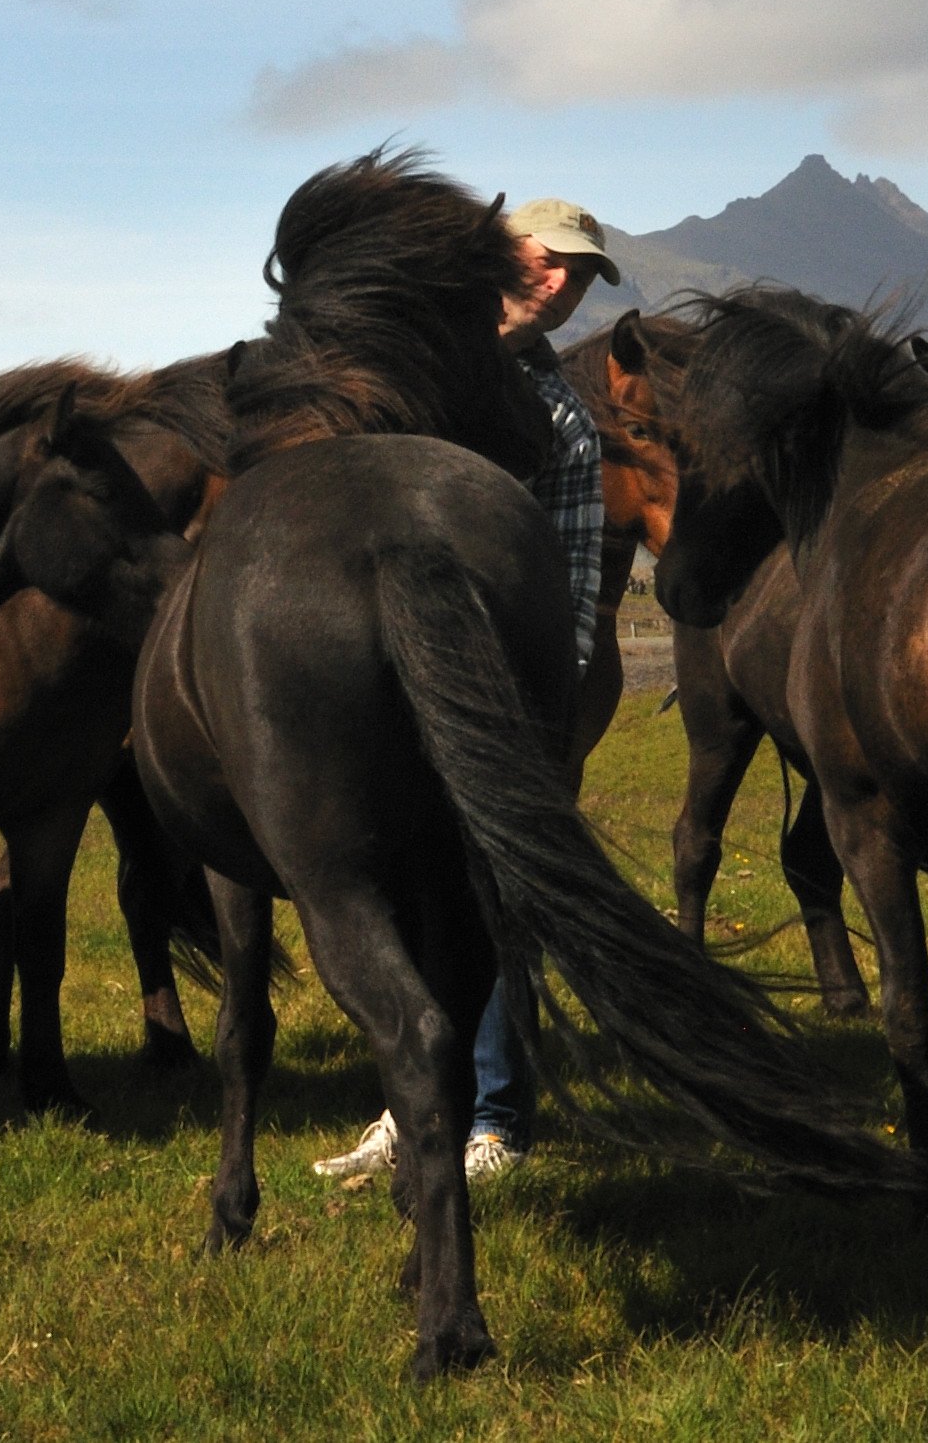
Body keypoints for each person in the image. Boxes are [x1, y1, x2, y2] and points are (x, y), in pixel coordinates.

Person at [312, 196, 616, 1184]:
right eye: (548, 258)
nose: (560, 282)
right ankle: (410, 1105)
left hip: (495, 695)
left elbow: (573, 579)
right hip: (377, 671)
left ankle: (493, 1120)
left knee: (491, 897)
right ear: (502, 254)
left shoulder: (562, 418)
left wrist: (547, 700)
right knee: (394, 887)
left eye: (580, 274)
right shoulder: (404, 366)